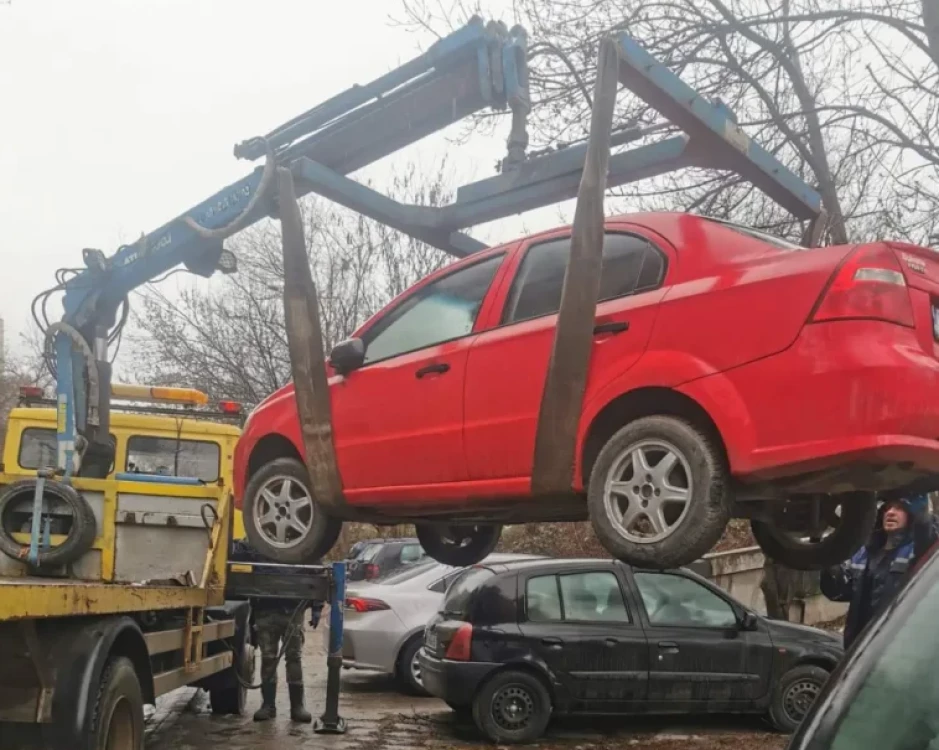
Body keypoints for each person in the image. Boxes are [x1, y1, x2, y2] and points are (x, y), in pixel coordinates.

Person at [821, 494, 937, 648]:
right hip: (859, 646)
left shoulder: (916, 550)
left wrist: (923, 518)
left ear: (912, 515)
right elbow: (840, 590)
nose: (890, 512)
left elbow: (928, 542)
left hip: (897, 645)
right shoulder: (864, 553)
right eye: (887, 508)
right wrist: (828, 560)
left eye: (899, 508)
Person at [229, 539, 323, 723]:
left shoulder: (303, 544)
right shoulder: (258, 543)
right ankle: (268, 705)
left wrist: (317, 606)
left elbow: (317, 573)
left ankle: (297, 706)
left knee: (294, 658)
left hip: (293, 611)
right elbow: (241, 558)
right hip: (266, 610)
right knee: (268, 658)